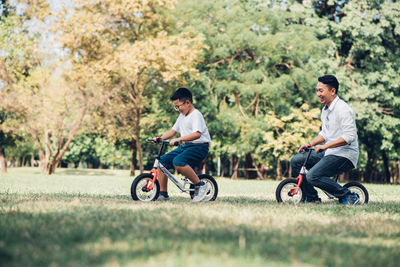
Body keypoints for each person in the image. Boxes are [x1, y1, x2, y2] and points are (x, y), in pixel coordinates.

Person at [291, 75, 360, 205]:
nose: (318, 94)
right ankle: (311, 197)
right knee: (296, 161)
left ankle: (349, 196)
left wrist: (326, 146)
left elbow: (350, 136)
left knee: (312, 176)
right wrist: (311, 144)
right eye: (317, 90)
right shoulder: (325, 110)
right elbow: (325, 133)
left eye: (321, 90)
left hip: (345, 154)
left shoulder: (343, 109)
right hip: (329, 153)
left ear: (332, 91)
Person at [154, 88, 211, 202]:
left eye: (178, 106)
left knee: (178, 162)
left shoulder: (196, 115)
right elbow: (173, 131)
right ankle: (163, 193)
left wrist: (179, 139)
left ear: (188, 102)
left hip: (199, 147)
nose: (177, 109)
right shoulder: (182, 116)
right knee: (162, 162)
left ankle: (200, 185)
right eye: (176, 106)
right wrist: (160, 138)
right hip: (186, 147)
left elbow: (197, 134)